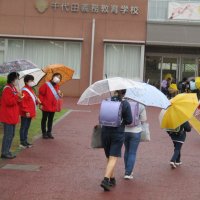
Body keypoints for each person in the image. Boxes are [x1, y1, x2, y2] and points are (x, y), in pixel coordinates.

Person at [100, 90, 132, 191]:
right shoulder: (125, 103)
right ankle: (105, 180)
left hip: (105, 131)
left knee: (109, 157)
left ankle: (112, 178)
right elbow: (129, 120)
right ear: (124, 93)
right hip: (117, 132)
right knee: (113, 157)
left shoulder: (106, 100)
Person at [0, 72, 22, 159]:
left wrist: (20, 97)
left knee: (11, 135)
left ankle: (7, 151)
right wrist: (17, 97)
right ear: (13, 79)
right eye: (17, 78)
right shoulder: (7, 89)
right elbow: (9, 102)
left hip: (12, 115)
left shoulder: (13, 88)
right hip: (8, 115)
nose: (18, 80)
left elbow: (16, 101)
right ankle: (5, 152)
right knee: (8, 135)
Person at [124, 102, 147, 179]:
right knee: (132, 152)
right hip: (136, 131)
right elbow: (144, 120)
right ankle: (128, 172)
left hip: (124, 130)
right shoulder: (141, 105)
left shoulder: (123, 102)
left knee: (126, 150)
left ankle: (127, 170)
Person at [39, 73, 63, 139]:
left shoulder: (57, 86)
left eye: (59, 78)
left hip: (53, 105)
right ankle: (44, 133)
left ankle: (49, 132)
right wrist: (41, 103)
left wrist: (60, 94)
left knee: (50, 119)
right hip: (46, 105)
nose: (58, 78)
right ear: (53, 77)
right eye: (57, 77)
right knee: (44, 119)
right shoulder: (46, 85)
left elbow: (58, 95)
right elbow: (41, 94)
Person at [19, 75, 41, 148]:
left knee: (27, 127)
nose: (32, 82)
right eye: (30, 81)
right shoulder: (25, 90)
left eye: (32, 80)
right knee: (24, 126)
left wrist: (37, 101)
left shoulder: (31, 89)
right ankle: (22, 141)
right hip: (26, 112)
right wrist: (26, 111)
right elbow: (23, 102)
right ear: (26, 81)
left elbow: (32, 100)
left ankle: (25, 140)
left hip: (30, 111)